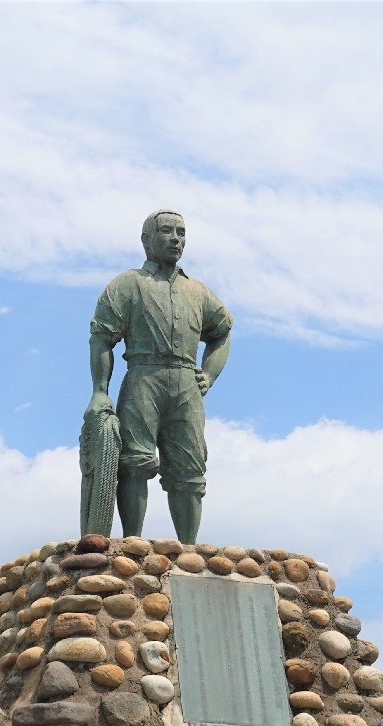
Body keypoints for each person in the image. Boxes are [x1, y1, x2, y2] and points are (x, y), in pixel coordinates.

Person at [86, 210, 232, 544]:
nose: (175, 239)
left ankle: (189, 549)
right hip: (143, 377)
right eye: (167, 231)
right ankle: (132, 541)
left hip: (185, 382)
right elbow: (101, 338)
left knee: (189, 471)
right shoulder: (128, 284)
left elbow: (222, 331)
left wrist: (208, 374)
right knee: (134, 462)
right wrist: (99, 391)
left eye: (181, 232)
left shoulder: (199, 292)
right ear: (146, 239)